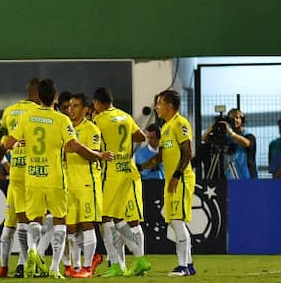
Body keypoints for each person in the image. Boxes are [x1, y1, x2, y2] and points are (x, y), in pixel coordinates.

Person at [0, 79, 111, 279]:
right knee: (60, 222)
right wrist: (98, 155)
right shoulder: (61, 120)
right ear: (55, 98)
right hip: (56, 178)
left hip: (33, 178)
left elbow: (7, 143)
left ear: (38, 97)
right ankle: (55, 268)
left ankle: (32, 249)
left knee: (34, 220)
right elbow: (74, 146)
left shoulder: (27, 117)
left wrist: (10, 152)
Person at [92, 87, 150, 277]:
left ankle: (117, 264)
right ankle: (138, 259)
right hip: (129, 171)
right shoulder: (125, 116)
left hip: (111, 174)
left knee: (105, 218)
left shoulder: (99, 120)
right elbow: (141, 137)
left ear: (97, 103)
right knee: (124, 219)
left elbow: (94, 145)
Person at [0, 78, 41, 279]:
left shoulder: (10, 110)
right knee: (27, 223)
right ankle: (23, 264)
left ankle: (3, 267)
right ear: (39, 94)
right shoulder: (39, 114)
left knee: (9, 226)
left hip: (15, 175)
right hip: (33, 175)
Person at [154, 89, 196, 277]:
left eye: (159, 103)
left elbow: (188, 152)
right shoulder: (165, 127)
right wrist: (138, 166)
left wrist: (177, 175)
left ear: (169, 106)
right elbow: (160, 157)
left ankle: (183, 267)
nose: (156, 107)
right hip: (170, 181)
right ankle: (189, 263)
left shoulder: (180, 123)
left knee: (177, 222)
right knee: (173, 222)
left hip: (180, 179)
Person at [63, 93, 105, 278]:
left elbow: (95, 155)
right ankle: (77, 266)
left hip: (87, 183)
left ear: (86, 109)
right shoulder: (65, 128)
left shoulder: (92, 129)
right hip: (68, 185)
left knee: (87, 225)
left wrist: (77, 147)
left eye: (76, 106)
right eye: (70, 106)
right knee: (70, 228)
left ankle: (88, 267)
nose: (71, 109)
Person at [202, 108, 255, 180]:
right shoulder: (227, 137)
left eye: (237, 117)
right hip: (231, 177)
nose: (235, 120)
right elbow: (204, 138)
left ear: (242, 119)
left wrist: (231, 133)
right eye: (231, 119)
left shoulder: (248, 135)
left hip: (247, 177)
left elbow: (247, 143)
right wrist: (214, 126)